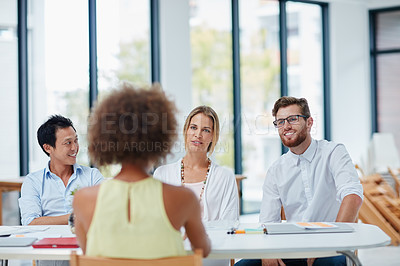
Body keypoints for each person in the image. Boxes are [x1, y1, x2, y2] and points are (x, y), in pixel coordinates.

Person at [72, 83, 211, 259]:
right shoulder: (183, 198)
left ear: (106, 138)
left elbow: (89, 254)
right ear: (159, 138)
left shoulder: (83, 200)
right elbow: (203, 250)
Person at [237, 96, 363, 266]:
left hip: (332, 245)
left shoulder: (333, 153)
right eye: (280, 122)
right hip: (290, 249)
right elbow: (267, 222)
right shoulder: (276, 170)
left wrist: (331, 245)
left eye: (293, 119)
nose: (286, 126)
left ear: (309, 122)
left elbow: (353, 196)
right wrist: (267, 251)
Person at [153, 105, 239, 222]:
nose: (198, 134)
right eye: (193, 127)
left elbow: (229, 225)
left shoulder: (225, 177)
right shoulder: (162, 174)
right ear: (186, 131)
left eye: (206, 130)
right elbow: (156, 221)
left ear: (213, 137)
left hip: (213, 241)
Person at [19, 115, 104, 226]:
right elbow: (30, 222)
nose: (74, 148)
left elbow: (104, 212)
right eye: (68, 143)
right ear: (48, 148)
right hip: (47, 241)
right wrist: (76, 216)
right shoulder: (33, 181)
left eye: (76, 141)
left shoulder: (92, 176)